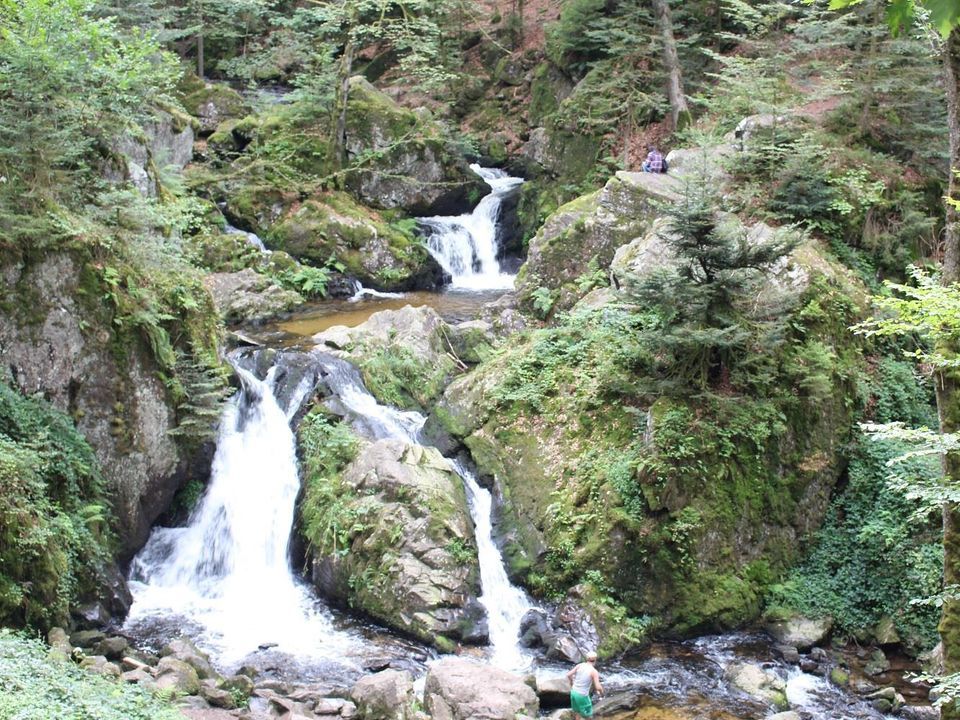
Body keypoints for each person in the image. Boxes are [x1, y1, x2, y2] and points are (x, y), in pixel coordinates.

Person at [566, 650, 603, 719]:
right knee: (588, 716)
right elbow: (598, 687)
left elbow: (568, 675)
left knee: (577, 712)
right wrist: (601, 692)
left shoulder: (580, 665)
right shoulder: (594, 671)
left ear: (587, 659)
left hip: (573, 692)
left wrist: (571, 682)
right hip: (582, 695)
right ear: (595, 660)